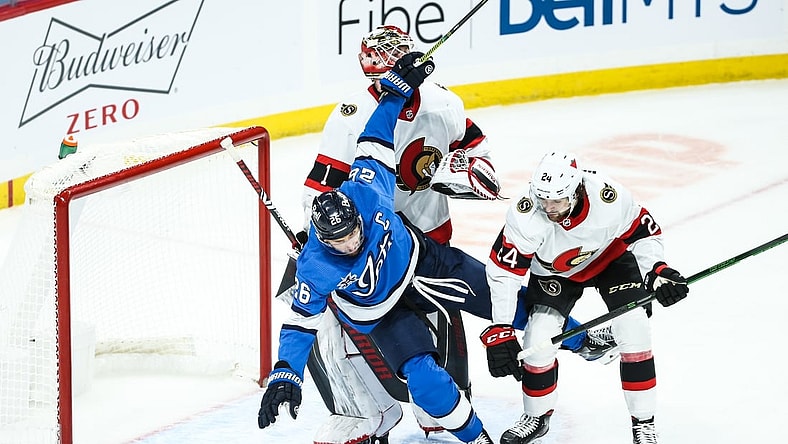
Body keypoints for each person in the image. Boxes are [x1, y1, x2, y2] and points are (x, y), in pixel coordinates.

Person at [294, 25, 618, 443]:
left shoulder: (444, 103)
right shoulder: (353, 116)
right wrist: (315, 233)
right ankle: (367, 414)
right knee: (344, 320)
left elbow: (480, 160)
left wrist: (459, 173)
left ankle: (579, 337)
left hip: (426, 242)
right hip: (370, 245)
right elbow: (322, 188)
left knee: (493, 304)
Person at [259, 50, 496, 444]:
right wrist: (285, 371)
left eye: (352, 231)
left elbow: (377, 137)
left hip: (423, 257)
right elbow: (300, 324)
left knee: (505, 300)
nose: (351, 242)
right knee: (425, 378)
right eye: (338, 240)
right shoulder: (316, 266)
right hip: (383, 309)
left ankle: (580, 337)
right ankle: (471, 435)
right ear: (322, 240)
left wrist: (393, 95)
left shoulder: (367, 189)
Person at [482, 151, 689, 444]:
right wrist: (500, 328)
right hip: (554, 272)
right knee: (537, 341)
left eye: (558, 201)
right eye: (544, 200)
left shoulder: (608, 196)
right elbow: (504, 272)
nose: (550, 209)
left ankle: (644, 422)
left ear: (577, 190)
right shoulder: (526, 213)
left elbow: (644, 233)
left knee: (634, 328)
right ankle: (536, 416)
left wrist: (657, 270)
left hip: (610, 260)